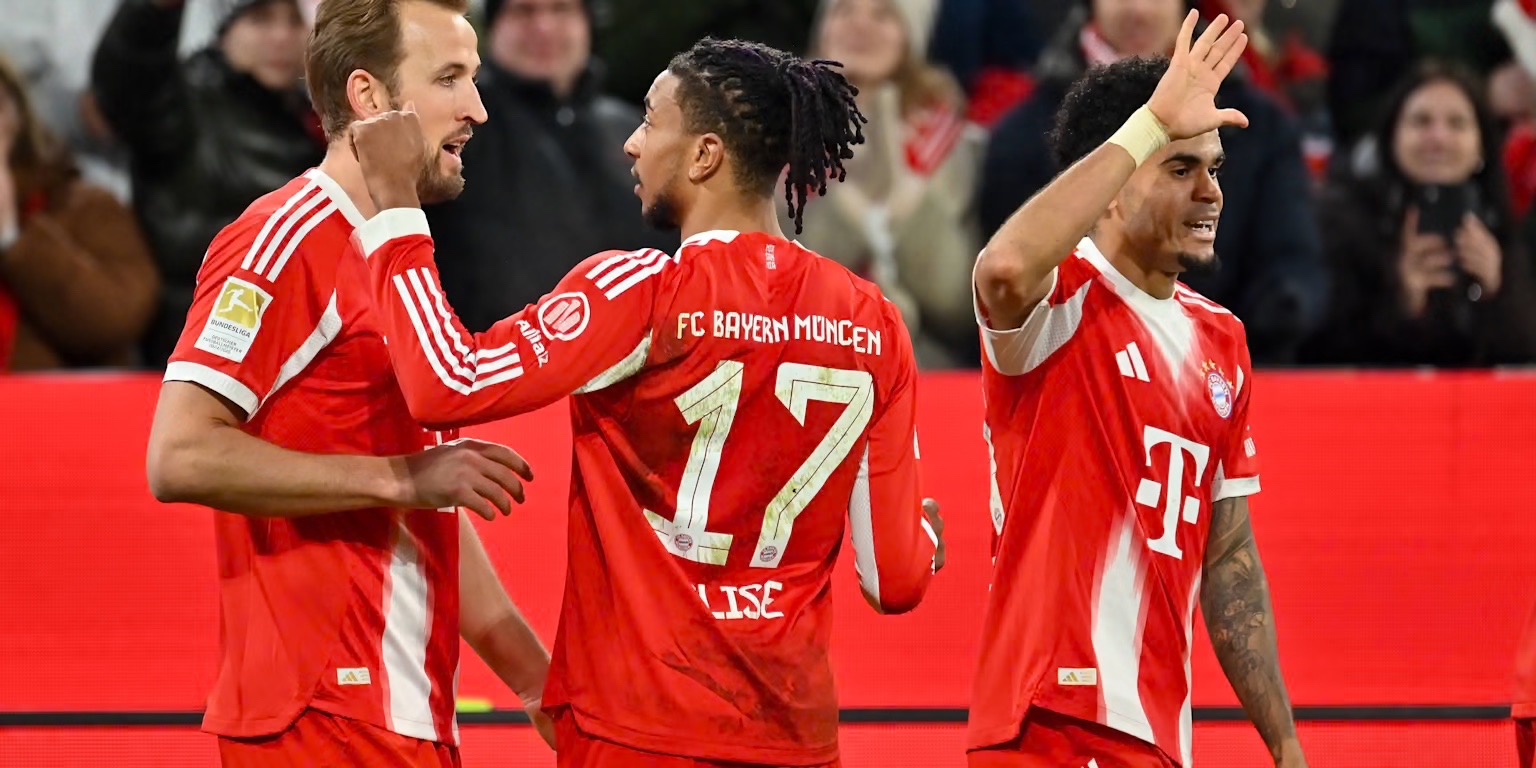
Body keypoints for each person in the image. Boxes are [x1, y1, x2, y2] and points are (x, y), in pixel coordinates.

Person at [347, 36, 945, 768]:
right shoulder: (872, 322)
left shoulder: (642, 295)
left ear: (704, 155)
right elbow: (896, 580)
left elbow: (448, 381)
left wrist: (396, 212)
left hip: (638, 727)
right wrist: (926, 533)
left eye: (650, 121)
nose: (631, 144)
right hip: (793, 736)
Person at [143, 0, 554, 764]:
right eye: (449, 79)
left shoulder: (397, 251)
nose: (477, 108)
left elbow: (420, 499)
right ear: (369, 97)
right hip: (321, 713)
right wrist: (403, 478)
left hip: (400, 711)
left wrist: (536, 682)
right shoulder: (284, 238)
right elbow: (179, 456)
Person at [969, 13, 1307, 768]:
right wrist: (1151, 122)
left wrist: (1285, 744)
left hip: (1157, 731)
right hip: (1054, 717)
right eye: (1180, 168)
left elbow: (1230, 560)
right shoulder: (1059, 297)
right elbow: (1003, 269)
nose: (1210, 192)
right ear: (1112, 187)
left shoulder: (1221, 339)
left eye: (1214, 169)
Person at [979, 0, 1328, 365]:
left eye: (1213, 170)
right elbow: (1007, 275)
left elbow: (1292, 263)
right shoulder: (1022, 135)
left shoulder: (1260, 126)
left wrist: (1246, 339)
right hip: (1068, 361)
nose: (1139, 10)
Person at [92, 0, 325, 366]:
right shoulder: (183, 103)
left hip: (294, 350)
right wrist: (155, 11)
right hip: (195, 352)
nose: (281, 37)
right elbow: (128, 79)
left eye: (295, 22)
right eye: (260, 19)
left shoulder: (318, 118)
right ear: (224, 30)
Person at [422, 0, 672, 333]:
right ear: (493, 27)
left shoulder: (634, 132)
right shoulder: (456, 124)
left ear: (587, 22)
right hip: (498, 357)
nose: (544, 27)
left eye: (561, 9)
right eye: (523, 11)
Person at [1302, 62, 1536, 367]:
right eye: (1421, 121)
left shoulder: (1502, 227)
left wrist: (1495, 291)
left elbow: (1522, 357)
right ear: (1392, 137)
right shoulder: (1342, 222)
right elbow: (1322, 351)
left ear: (1481, 146)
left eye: (1457, 124)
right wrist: (1401, 303)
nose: (1438, 138)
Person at [793, 0, 982, 368]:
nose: (860, 25)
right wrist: (847, 207)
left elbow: (957, 302)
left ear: (910, 37)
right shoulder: (776, 134)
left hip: (924, 371)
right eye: (844, 11)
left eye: (883, 15)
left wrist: (908, 207)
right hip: (799, 364)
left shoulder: (949, 145)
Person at [0, 52, 158, 371]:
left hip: (57, 402)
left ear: (17, 117)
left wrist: (12, 237)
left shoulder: (84, 205)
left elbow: (115, 320)